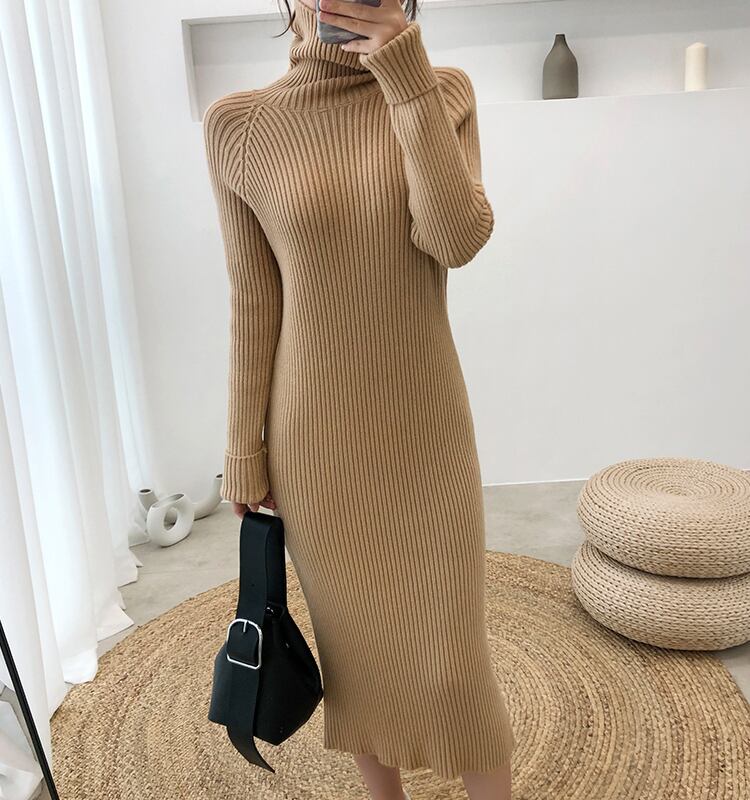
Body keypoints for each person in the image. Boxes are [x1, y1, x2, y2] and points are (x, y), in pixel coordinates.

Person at [203, 0, 515, 796]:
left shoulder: (442, 91)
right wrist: (243, 448)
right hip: (313, 440)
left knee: (455, 667)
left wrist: (404, 76)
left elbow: (455, 238)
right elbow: (253, 299)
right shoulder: (238, 125)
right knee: (359, 659)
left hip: (426, 428)